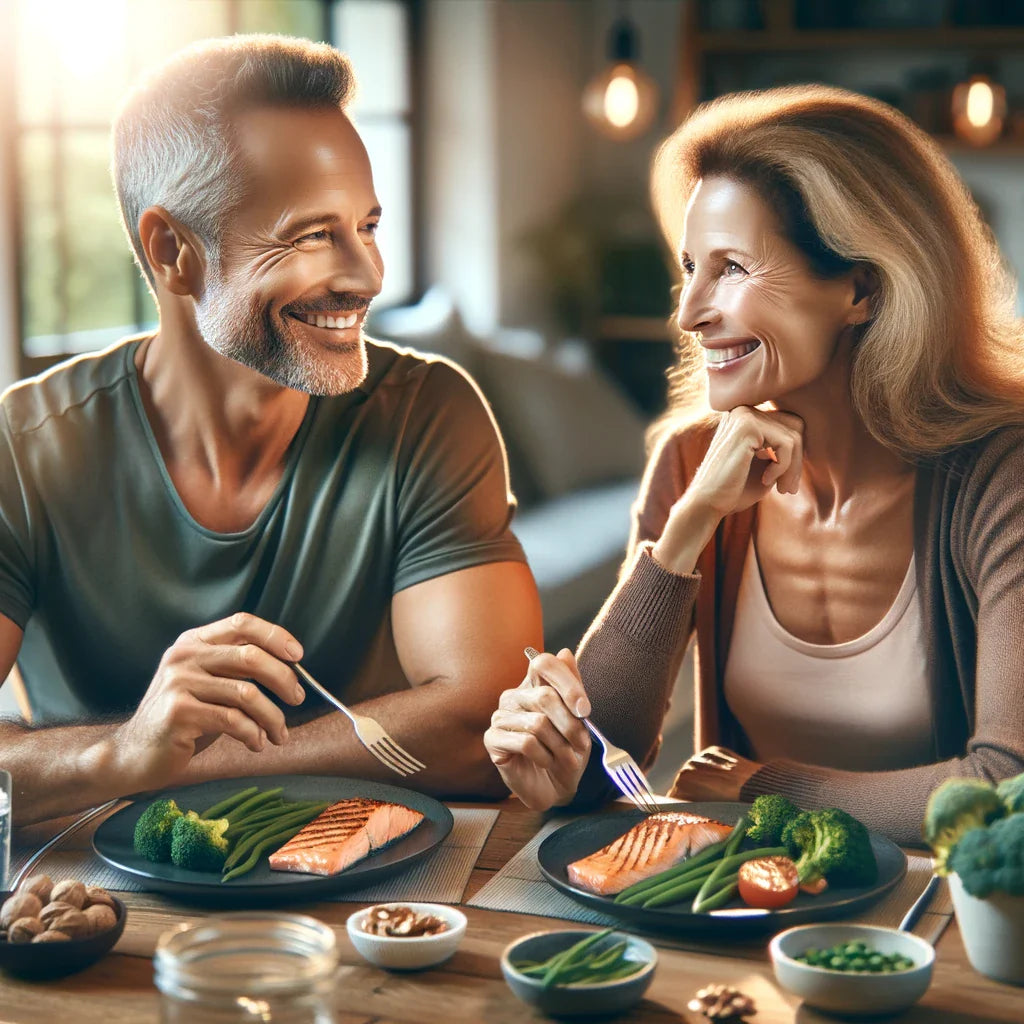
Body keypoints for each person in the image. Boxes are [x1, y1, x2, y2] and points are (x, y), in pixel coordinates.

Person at [0, 35, 542, 825]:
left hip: (368, 893)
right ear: (172, 251)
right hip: (95, 907)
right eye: (313, 234)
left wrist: (176, 766)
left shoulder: (429, 412)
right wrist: (123, 751)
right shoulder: (24, 447)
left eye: (367, 226)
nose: (366, 276)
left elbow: (480, 726)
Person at [484, 85, 1024, 846]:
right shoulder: (692, 463)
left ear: (860, 289)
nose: (689, 313)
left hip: (936, 926)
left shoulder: (1000, 476)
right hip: (746, 905)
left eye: (731, 268)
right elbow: (603, 762)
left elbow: (1006, 788)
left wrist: (764, 789)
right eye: (689, 268)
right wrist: (686, 529)